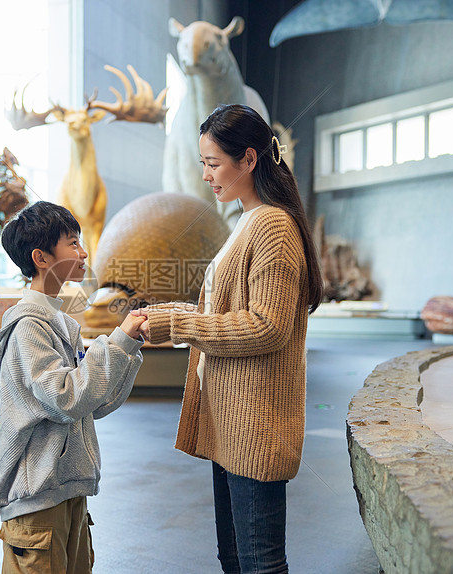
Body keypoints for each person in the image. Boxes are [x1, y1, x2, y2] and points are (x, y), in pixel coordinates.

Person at [136, 104, 323, 573]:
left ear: (250, 159)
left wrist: (177, 326)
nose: (206, 176)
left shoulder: (273, 227)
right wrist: (166, 312)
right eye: (203, 164)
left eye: (214, 164)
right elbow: (226, 312)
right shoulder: (247, 221)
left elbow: (266, 325)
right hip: (231, 422)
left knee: (258, 563)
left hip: (254, 425)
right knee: (235, 559)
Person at [0, 200, 146, 574]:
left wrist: (129, 346)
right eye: (72, 243)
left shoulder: (62, 323)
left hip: (68, 489)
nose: (83, 251)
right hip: (37, 501)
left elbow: (94, 402)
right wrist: (118, 342)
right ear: (42, 258)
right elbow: (67, 398)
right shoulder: (29, 328)